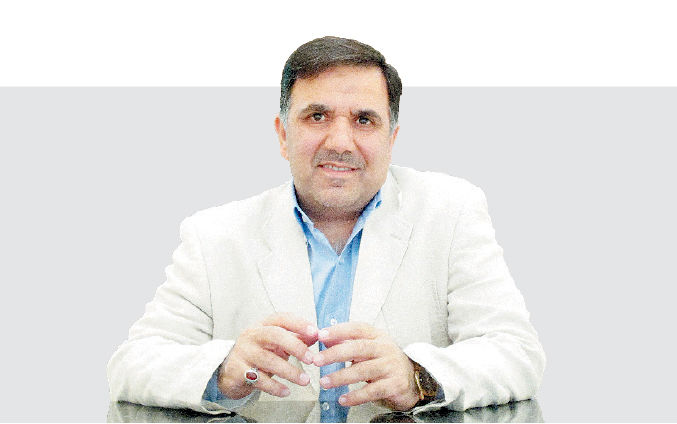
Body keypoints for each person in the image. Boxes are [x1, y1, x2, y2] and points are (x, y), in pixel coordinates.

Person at [107, 36, 545, 419]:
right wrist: (222, 370)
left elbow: (516, 353)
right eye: (317, 116)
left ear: (391, 140)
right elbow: (132, 365)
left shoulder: (451, 212)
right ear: (283, 134)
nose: (339, 142)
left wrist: (417, 377)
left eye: (364, 120)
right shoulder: (214, 235)